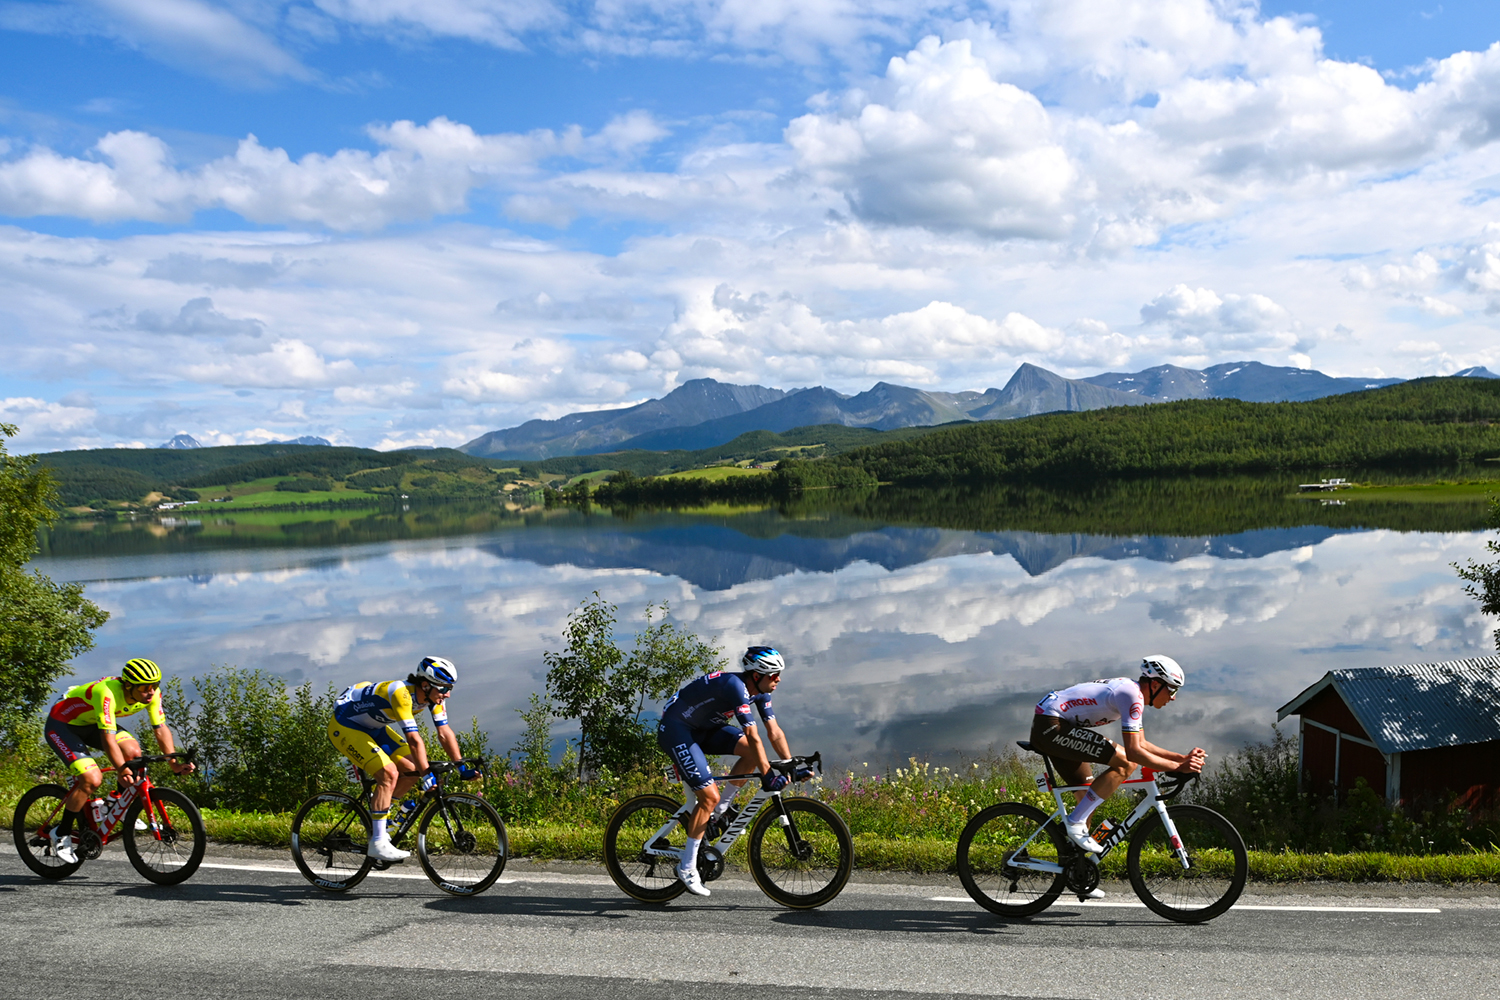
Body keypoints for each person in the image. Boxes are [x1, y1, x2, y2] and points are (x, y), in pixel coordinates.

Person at [656, 646, 803, 897]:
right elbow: (754, 735)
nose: (778, 680)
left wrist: (789, 763)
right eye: (773, 675)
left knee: (750, 753)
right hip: (677, 729)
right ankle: (687, 866)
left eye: (778, 674)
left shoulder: (760, 691)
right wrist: (768, 775)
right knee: (708, 795)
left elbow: (774, 731)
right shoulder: (735, 687)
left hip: (704, 728)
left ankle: (721, 811)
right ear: (756, 675)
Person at [1031, 655, 1205, 859]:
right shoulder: (1131, 695)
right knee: (1126, 763)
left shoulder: (1133, 693)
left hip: (1056, 723)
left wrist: (1181, 758)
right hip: (1051, 726)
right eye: (1172, 690)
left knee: (1086, 798)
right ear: (1156, 684)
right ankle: (1074, 822)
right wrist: (1175, 768)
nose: (1173, 697)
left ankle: (1075, 870)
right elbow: (1134, 753)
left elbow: (1142, 744)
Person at [43, 658, 196, 864]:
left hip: (92, 723)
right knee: (91, 780)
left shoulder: (152, 695)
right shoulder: (105, 692)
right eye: (144, 688)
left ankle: (115, 801)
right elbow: (108, 739)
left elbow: (160, 729)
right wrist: (121, 769)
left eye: (154, 686)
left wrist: (173, 763)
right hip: (63, 725)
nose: (150, 692)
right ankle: (61, 833)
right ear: (128, 685)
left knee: (133, 753)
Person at [328, 656, 473, 862]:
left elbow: (444, 733)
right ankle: (377, 842)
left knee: (412, 770)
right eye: (443, 688)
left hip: (374, 727)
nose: (447, 694)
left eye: (449, 688)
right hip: (346, 725)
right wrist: (427, 774)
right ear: (425, 685)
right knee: (388, 773)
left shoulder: (433, 697)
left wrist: (461, 766)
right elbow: (414, 740)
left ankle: (381, 819)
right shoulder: (401, 694)